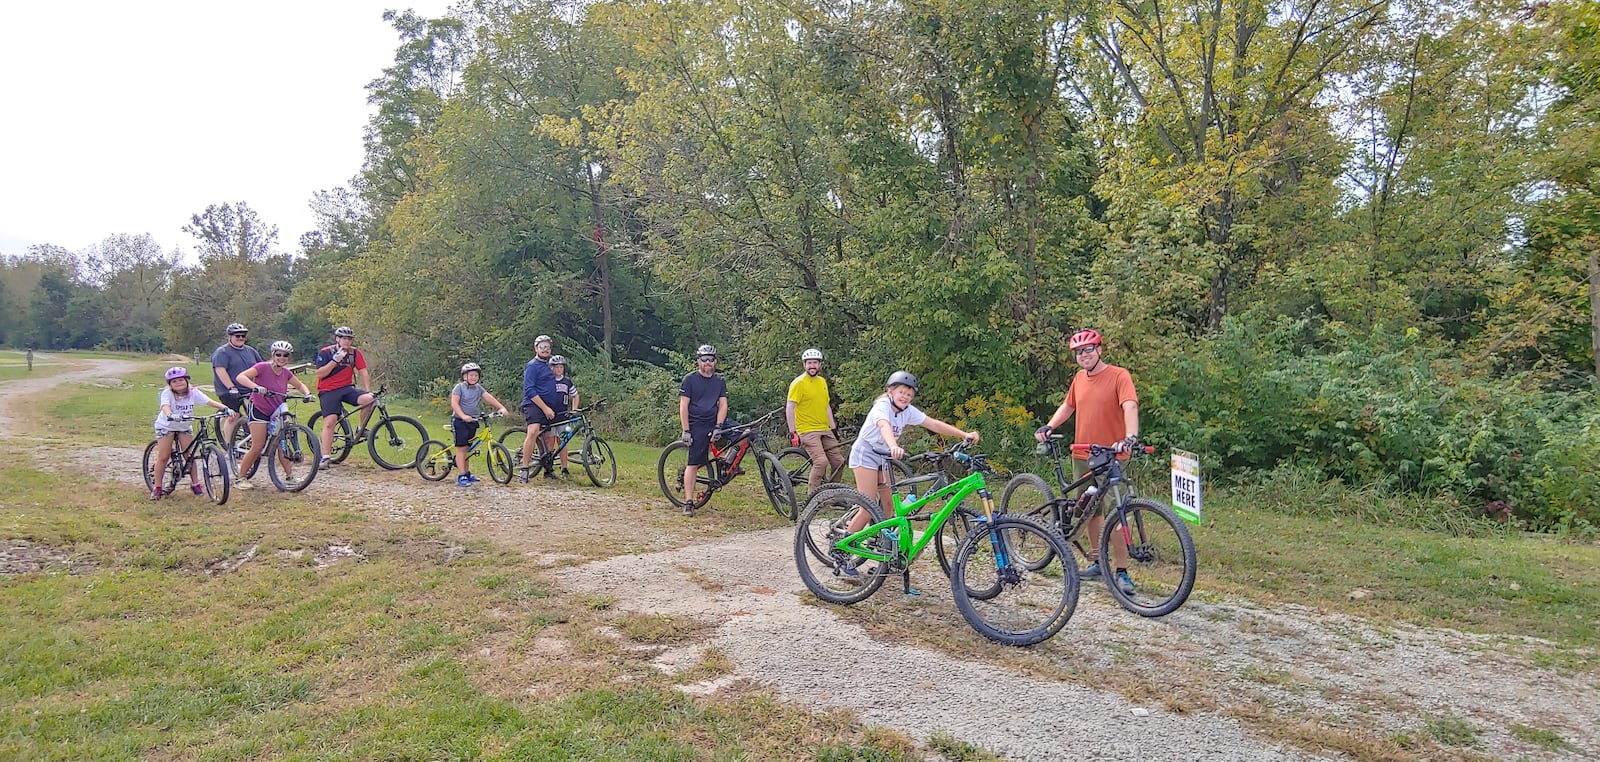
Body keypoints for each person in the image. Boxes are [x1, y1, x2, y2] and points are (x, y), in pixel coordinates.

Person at [1034, 328, 1141, 594]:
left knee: (1117, 513)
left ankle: (1121, 571)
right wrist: (1049, 425)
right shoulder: (1079, 379)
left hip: (1112, 456)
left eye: (1088, 350)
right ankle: (1096, 560)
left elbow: (1130, 406)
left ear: (1100, 350)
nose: (1084, 355)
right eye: (1079, 352)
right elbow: (1068, 406)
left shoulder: (1119, 376)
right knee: (1090, 510)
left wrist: (1130, 437)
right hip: (1082, 455)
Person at [844, 371, 979, 544]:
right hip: (866, 454)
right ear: (890, 391)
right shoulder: (882, 406)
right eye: (901, 392)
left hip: (884, 458)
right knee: (868, 507)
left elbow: (933, 424)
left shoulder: (907, 411)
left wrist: (963, 434)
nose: (905, 397)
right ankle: (841, 550)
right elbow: (883, 425)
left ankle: (878, 544)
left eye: (909, 394)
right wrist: (893, 445)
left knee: (888, 507)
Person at [234, 341, 313, 490]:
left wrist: (307, 394)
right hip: (259, 409)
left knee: (281, 441)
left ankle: (290, 475)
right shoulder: (262, 367)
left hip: (277, 410)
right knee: (257, 446)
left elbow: (299, 385)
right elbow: (241, 377)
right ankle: (240, 478)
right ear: (273, 354)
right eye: (278, 354)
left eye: (285, 355)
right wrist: (256, 387)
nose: (281, 358)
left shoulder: (286, 372)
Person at [149, 366, 237, 500]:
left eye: (181, 380)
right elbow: (165, 407)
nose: (178, 383)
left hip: (184, 425)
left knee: (189, 455)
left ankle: (195, 483)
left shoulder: (193, 392)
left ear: (186, 380)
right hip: (166, 425)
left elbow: (209, 401)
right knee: (164, 456)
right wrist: (170, 414)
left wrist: (225, 408)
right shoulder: (167, 393)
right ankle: (157, 487)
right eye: (174, 381)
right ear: (170, 384)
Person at [312, 326, 375, 468]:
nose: (347, 341)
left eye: (349, 339)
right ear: (337, 339)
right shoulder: (326, 352)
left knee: (368, 400)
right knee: (330, 421)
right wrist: (335, 360)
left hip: (346, 388)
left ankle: (361, 428)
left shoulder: (355, 353)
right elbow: (320, 374)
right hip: (328, 390)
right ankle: (325, 457)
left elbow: (363, 372)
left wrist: (368, 390)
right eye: (344, 338)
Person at [677, 344, 727, 516]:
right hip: (697, 423)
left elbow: (723, 405)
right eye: (704, 359)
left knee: (745, 434)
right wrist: (686, 430)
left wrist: (719, 426)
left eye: (710, 360)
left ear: (715, 362)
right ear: (698, 361)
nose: (707, 363)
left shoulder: (719, 381)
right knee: (694, 463)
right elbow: (683, 406)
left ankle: (728, 464)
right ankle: (689, 502)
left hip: (716, 420)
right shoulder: (690, 380)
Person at [786, 347, 842, 495]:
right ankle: (813, 498)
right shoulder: (798, 383)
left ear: (820, 365)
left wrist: (833, 428)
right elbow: (790, 407)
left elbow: (826, 406)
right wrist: (793, 432)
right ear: (804, 365)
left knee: (839, 462)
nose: (812, 366)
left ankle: (833, 494)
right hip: (807, 430)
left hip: (825, 428)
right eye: (809, 363)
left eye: (815, 363)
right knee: (821, 462)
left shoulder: (822, 382)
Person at [450, 362, 511, 487]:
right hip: (460, 421)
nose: (473, 377)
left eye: (476, 375)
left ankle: (466, 473)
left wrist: (501, 408)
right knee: (461, 448)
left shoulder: (478, 388)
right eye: (471, 375)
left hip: (473, 421)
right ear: (464, 376)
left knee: (468, 448)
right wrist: (463, 416)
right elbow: (454, 403)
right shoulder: (459, 388)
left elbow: (489, 398)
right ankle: (461, 476)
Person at [518, 335, 561, 481]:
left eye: (547, 347)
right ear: (536, 348)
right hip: (534, 404)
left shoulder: (551, 364)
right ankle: (525, 468)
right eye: (542, 347)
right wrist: (544, 408)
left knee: (550, 436)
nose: (545, 350)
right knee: (534, 431)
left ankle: (548, 469)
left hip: (550, 405)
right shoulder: (532, 366)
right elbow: (529, 390)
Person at [210, 322, 261, 446]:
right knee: (234, 415)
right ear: (229, 337)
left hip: (248, 389)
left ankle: (254, 440)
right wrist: (231, 387)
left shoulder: (250, 351)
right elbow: (220, 370)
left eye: (243, 336)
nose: (240, 338)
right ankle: (230, 446)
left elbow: (260, 367)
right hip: (229, 391)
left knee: (258, 413)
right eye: (237, 336)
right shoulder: (222, 352)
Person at [549, 355, 579, 478]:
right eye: (556, 367)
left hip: (563, 417)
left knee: (563, 442)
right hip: (550, 417)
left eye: (561, 367)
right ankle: (549, 467)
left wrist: (574, 410)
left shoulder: (567, 382)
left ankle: (564, 467)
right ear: (552, 368)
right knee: (550, 442)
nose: (559, 369)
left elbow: (575, 395)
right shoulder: (548, 381)